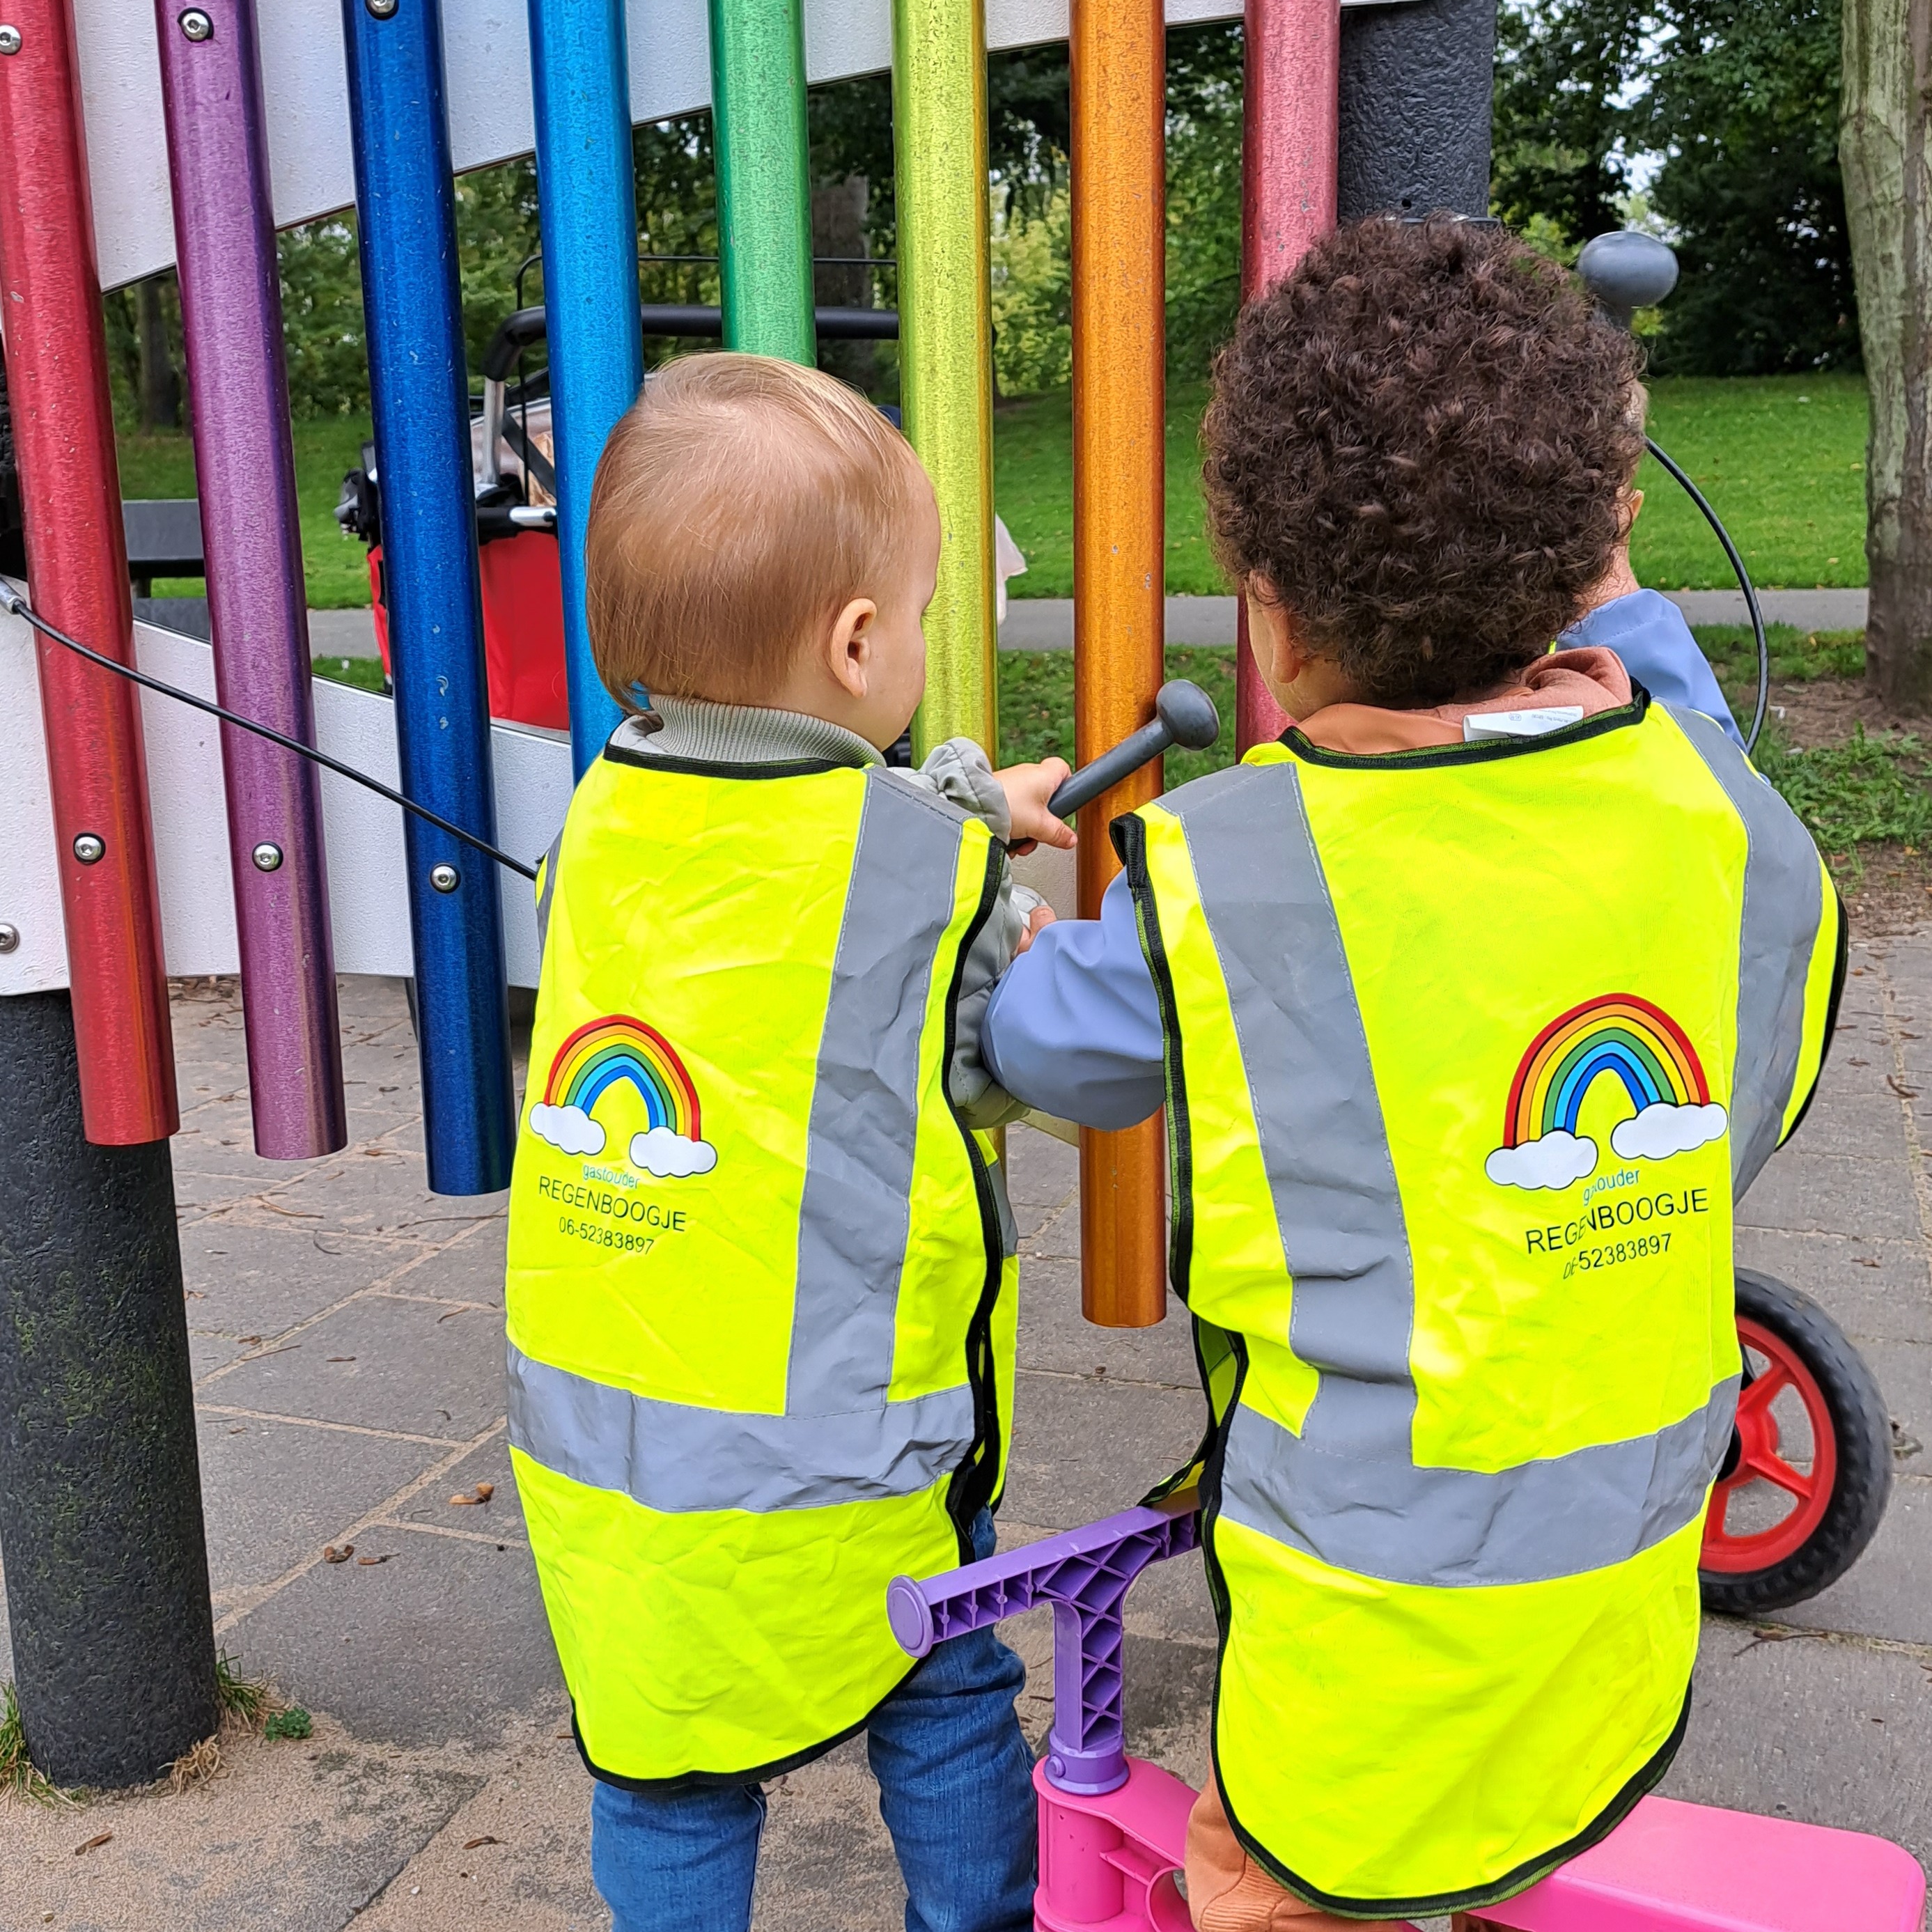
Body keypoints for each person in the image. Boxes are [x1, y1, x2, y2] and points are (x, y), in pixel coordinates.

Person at [983, 218, 1844, 1931]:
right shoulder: (1719, 818)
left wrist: (972, 872)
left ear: (1274, 623)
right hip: (1618, 1605)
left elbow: (1026, 1045)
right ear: (1589, 555)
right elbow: (1684, 726)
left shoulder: (1235, 874)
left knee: (1274, 1879)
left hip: (1366, 1621)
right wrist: (1605, 573)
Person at [503, 352, 1073, 1932]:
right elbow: (1002, 1058)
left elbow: (791, 847)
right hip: (846, 1467)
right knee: (945, 1683)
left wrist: (960, 795)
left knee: (663, 1768)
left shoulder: (599, 823)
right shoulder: (924, 886)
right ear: (855, 641)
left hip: (615, 1473)